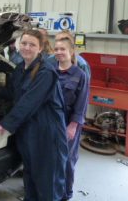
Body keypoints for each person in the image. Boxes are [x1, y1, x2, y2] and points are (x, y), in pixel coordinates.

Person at [0, 29, 68, 201]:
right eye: (24, 43)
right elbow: (15, 91)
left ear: (40, 49)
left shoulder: (46, 72)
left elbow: (28, 102)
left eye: (32, 45)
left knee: (47, 182)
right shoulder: (21, 68)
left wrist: (5, 125)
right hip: (29, 131)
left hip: (47, 133)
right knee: (30, 176)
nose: (26, 47)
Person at [54, 37, 88, 201]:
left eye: (63, 49)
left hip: (69, 122)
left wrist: (73, 126)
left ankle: (66, 194)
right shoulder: (50, 70)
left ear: (71, 52)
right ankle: (53, 190)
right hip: (52, 121)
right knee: (52, 157)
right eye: (57, 49)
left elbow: (82, 102)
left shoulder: (79, 74)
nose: (59, 52)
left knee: (67, 160)